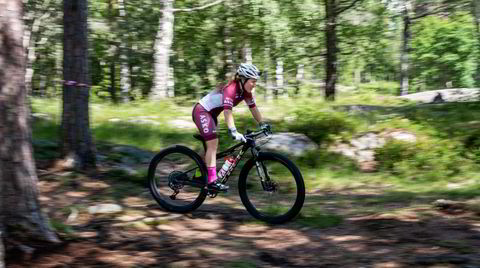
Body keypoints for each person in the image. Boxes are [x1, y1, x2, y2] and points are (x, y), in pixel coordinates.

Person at [192, 63, 270, 191]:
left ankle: (198, 174)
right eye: (253, 81)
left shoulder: (246, 92)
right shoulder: (231, 89)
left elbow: (253, 108)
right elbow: (228, 112)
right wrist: (233, 131)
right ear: (243, 79)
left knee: (209, 147)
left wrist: (263, 124)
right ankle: (212, 181)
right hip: (201, 111)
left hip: (211, 115)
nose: (254, 84)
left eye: (256, 81)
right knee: (213, 143)